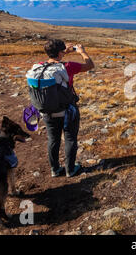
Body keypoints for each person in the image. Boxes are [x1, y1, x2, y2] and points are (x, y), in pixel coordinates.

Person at [40, 39, 94, 177]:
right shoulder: (68, 66)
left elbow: (54, 62)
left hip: (47, 109)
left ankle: (55, 169)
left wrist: (63, 53)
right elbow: (89, 65)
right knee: (70, 138)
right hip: (67, 109)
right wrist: (82, 52)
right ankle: (70, 170)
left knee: (53, 139)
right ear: (60, 52)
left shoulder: (40, 66)